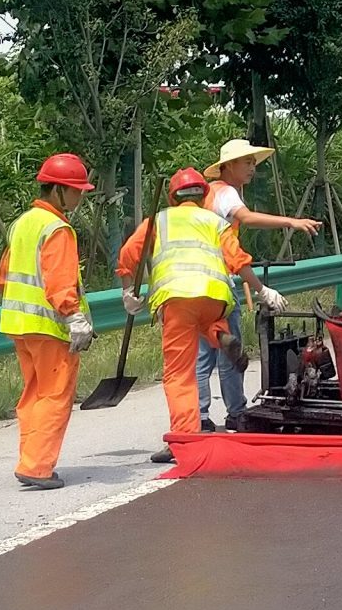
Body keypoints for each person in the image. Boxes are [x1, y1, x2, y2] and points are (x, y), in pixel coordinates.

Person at [117, 169, 286, 464]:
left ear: (173, 197)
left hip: (177, 298)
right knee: (207, 322)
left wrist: (128, 291)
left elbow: (128, 255)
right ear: (203, 195)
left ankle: (184, 438)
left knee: (180, 373)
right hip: (215, 297)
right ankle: (220, 335)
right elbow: (238, 260)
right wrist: (262, 290)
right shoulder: (216, 222)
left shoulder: (158, 221)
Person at [195, 139, 322, 432]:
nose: (252, 167)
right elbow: (247, 219)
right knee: (229, 352)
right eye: (246, 162)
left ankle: (199, 416)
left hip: (196, 284)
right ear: (228, 166)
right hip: (218, 284)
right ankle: (236, 413)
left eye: (253, 162)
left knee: (203, 354)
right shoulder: (227, 193)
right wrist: (291, 222)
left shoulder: (207, 193)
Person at [0, 154, 97, 491]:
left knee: (34, 395)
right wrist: (74, 317)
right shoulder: (57, 229)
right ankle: (37, 467)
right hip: (50, 327)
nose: (80, 197)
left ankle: (29, 459)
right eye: (76, 190)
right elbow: (59, 280)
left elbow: (3, 276)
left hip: (19, 324)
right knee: (55, 395)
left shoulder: (23, 223)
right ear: (57, 190)